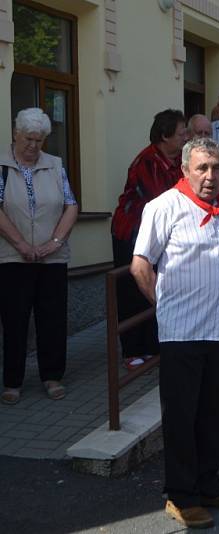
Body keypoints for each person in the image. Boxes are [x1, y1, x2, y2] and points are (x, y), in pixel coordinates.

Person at [130, 137, 219, 528]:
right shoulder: (163, 207)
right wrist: (164, 308)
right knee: (182, 415)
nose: (210, 176)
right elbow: (140, 266)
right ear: (185, 170)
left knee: (216, 412)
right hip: (183, 331)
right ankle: (181, 496)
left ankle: (209, 486)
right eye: (202, 168)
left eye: (216, 168)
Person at [0, 107, 79, 405]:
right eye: (28, 139)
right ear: (15, 134)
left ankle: (52, 376)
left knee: (53, 319)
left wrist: (55, 242)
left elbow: (71, 205)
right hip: (12, 258)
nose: (33, 146)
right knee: (14, 320)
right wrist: (20, 244)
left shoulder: (55, 165)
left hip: (52, 258)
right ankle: (13, 382)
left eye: (39, 140)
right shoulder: (2, 166)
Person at [110, 109, 186, 371]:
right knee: (133, 290)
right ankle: (132, 351)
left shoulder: (176, 160)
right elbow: (161, 199)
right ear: (165, 136)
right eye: (181, 133)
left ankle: (153, 345)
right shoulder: (147, 161)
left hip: (159, 233)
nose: (185, 136)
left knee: (157, 286)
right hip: (131, 232)